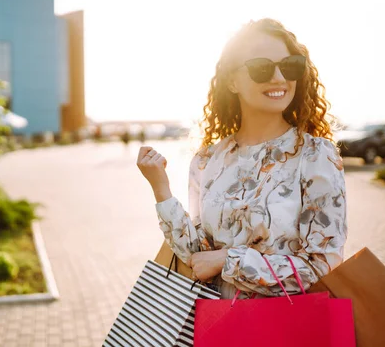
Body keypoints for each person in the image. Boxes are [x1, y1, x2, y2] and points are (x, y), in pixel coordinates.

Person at [137, 18, 347, 299]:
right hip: (218, 326)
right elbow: (196, 258)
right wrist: (161, 190)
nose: (279, 78)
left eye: (290, 66)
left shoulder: (316, 155)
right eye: (262, 68)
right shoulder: (207, 160)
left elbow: (323, 268)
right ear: (233, 81)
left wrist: (229, 261)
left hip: (286, 332)